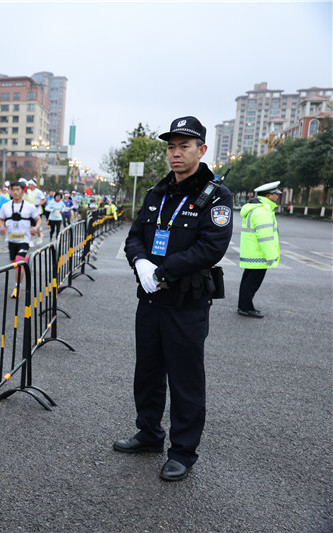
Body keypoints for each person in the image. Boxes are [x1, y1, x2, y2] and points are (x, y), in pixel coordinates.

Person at [118, 116, 233, 482]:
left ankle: (183, 451)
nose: (176, 153)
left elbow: (211, 247)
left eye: (184, 146)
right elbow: (135, 236)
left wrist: (163, 271)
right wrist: (140, 262)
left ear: (201, 150)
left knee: (186, 380)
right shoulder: (157, 193)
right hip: (151, 300)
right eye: (171, 146)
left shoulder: (216, 196)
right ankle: (149, 433)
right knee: (147, 373)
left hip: (186, 303)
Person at [237, 181, 281, 318]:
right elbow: (265, 237)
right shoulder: (262, 211)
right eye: (275, 194)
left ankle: (244, 306)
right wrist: (270, 256)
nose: (277, 197)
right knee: (251, 284)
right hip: (258, 255)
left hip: (252, 253)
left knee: (248, 282)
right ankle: (246, 308)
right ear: (268, 195)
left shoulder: (257, 208)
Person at [0, 181, 41, 299]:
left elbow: (38, 219)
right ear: (10, 191)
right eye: (13, 190)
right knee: (14, 263)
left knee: (18, 262)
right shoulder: (5, 206)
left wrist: (36, 228)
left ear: (23, 191)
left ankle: (17, 287)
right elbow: (1, 219)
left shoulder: (29, 206)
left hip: (24, 240)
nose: (15, 192)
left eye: (18, 189)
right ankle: (23, 261)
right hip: (11, 240)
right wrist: (1, 227)